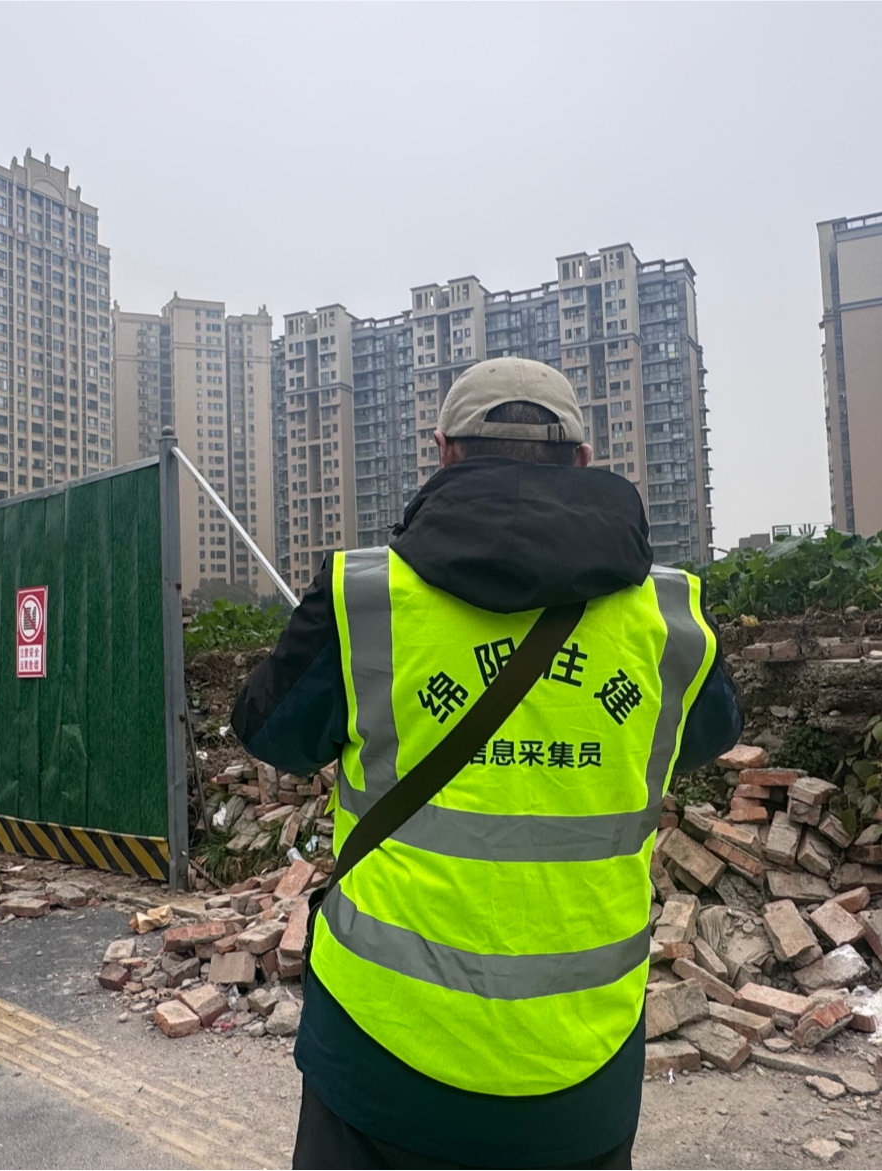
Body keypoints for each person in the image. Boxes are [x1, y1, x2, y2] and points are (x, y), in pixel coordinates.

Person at [231, 357, 743, 1169]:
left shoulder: (364, 598)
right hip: (579, 1063)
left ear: (443, 453)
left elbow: (269, 734)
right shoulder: (668, 618)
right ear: (582, 459)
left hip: (379, 1048)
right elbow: (705, 738)